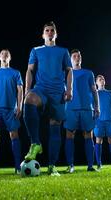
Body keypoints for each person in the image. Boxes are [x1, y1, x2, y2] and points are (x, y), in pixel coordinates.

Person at [23, 21, 73, 176]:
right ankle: (35, 143)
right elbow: (30, 70)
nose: (50, 33)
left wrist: (69, 89)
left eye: (52, 30)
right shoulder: (36, 50)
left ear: (55, 34)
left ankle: (52, 166)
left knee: (55, 126)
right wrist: (27, 89)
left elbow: (69, 71)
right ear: (43, 34)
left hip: (58, 92)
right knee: (29, 99)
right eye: (47, 30)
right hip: (41, 89)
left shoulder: (63, 51)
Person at [64, 49, 100, 173]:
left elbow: (94, 91)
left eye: (79, 56)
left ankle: (90, 165)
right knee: (69, 135)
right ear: (70, 59)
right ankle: (70, 165)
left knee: (88, 135)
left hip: (87, 108)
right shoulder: (67, 73)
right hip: (70, 108)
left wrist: (97, 106)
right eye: (74, 56)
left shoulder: (89, 73)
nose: (77, 58)